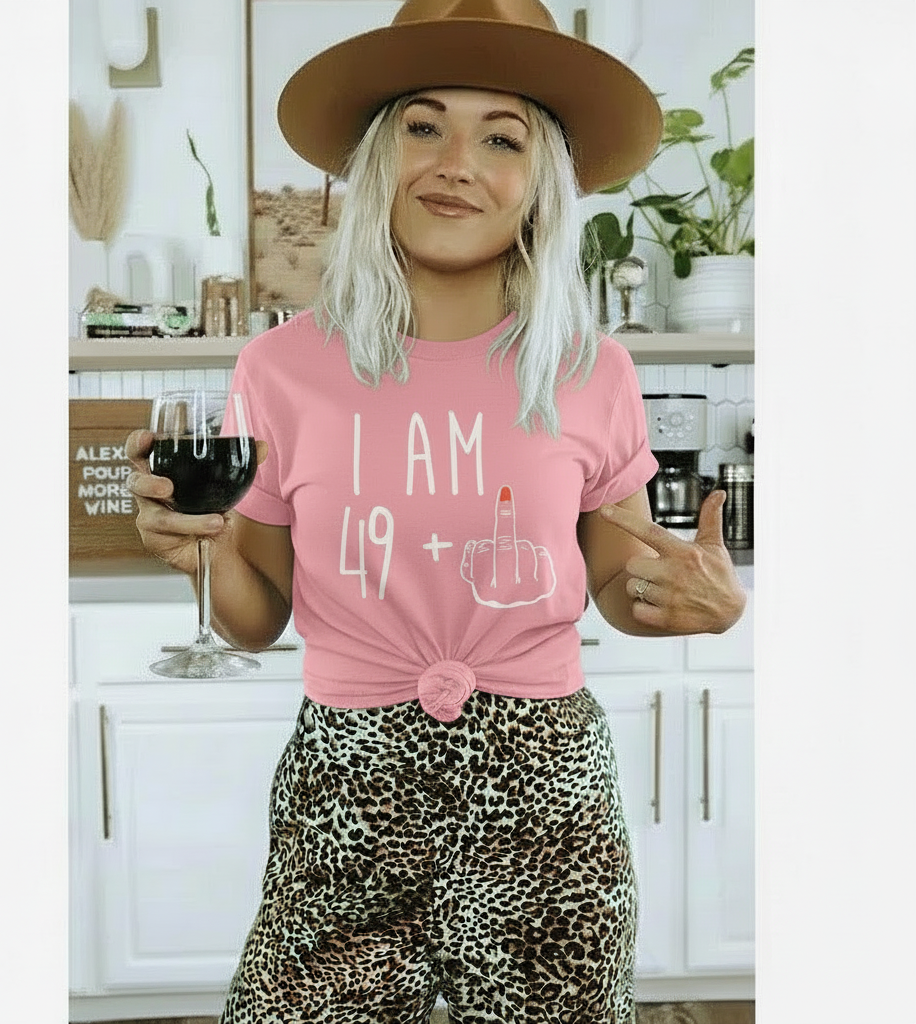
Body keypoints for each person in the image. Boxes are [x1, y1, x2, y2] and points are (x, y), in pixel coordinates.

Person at [125, 1, 747, 1020]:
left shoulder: (593, 370)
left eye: (500, 136)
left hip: (546, 797)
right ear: (378, 159)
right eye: (423, 126)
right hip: (344, 790)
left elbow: (622, 583)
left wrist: (693, 599)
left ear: (539, 180)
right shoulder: (279, 368)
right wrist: (197, 554)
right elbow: (258, 613)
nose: (456, 161)